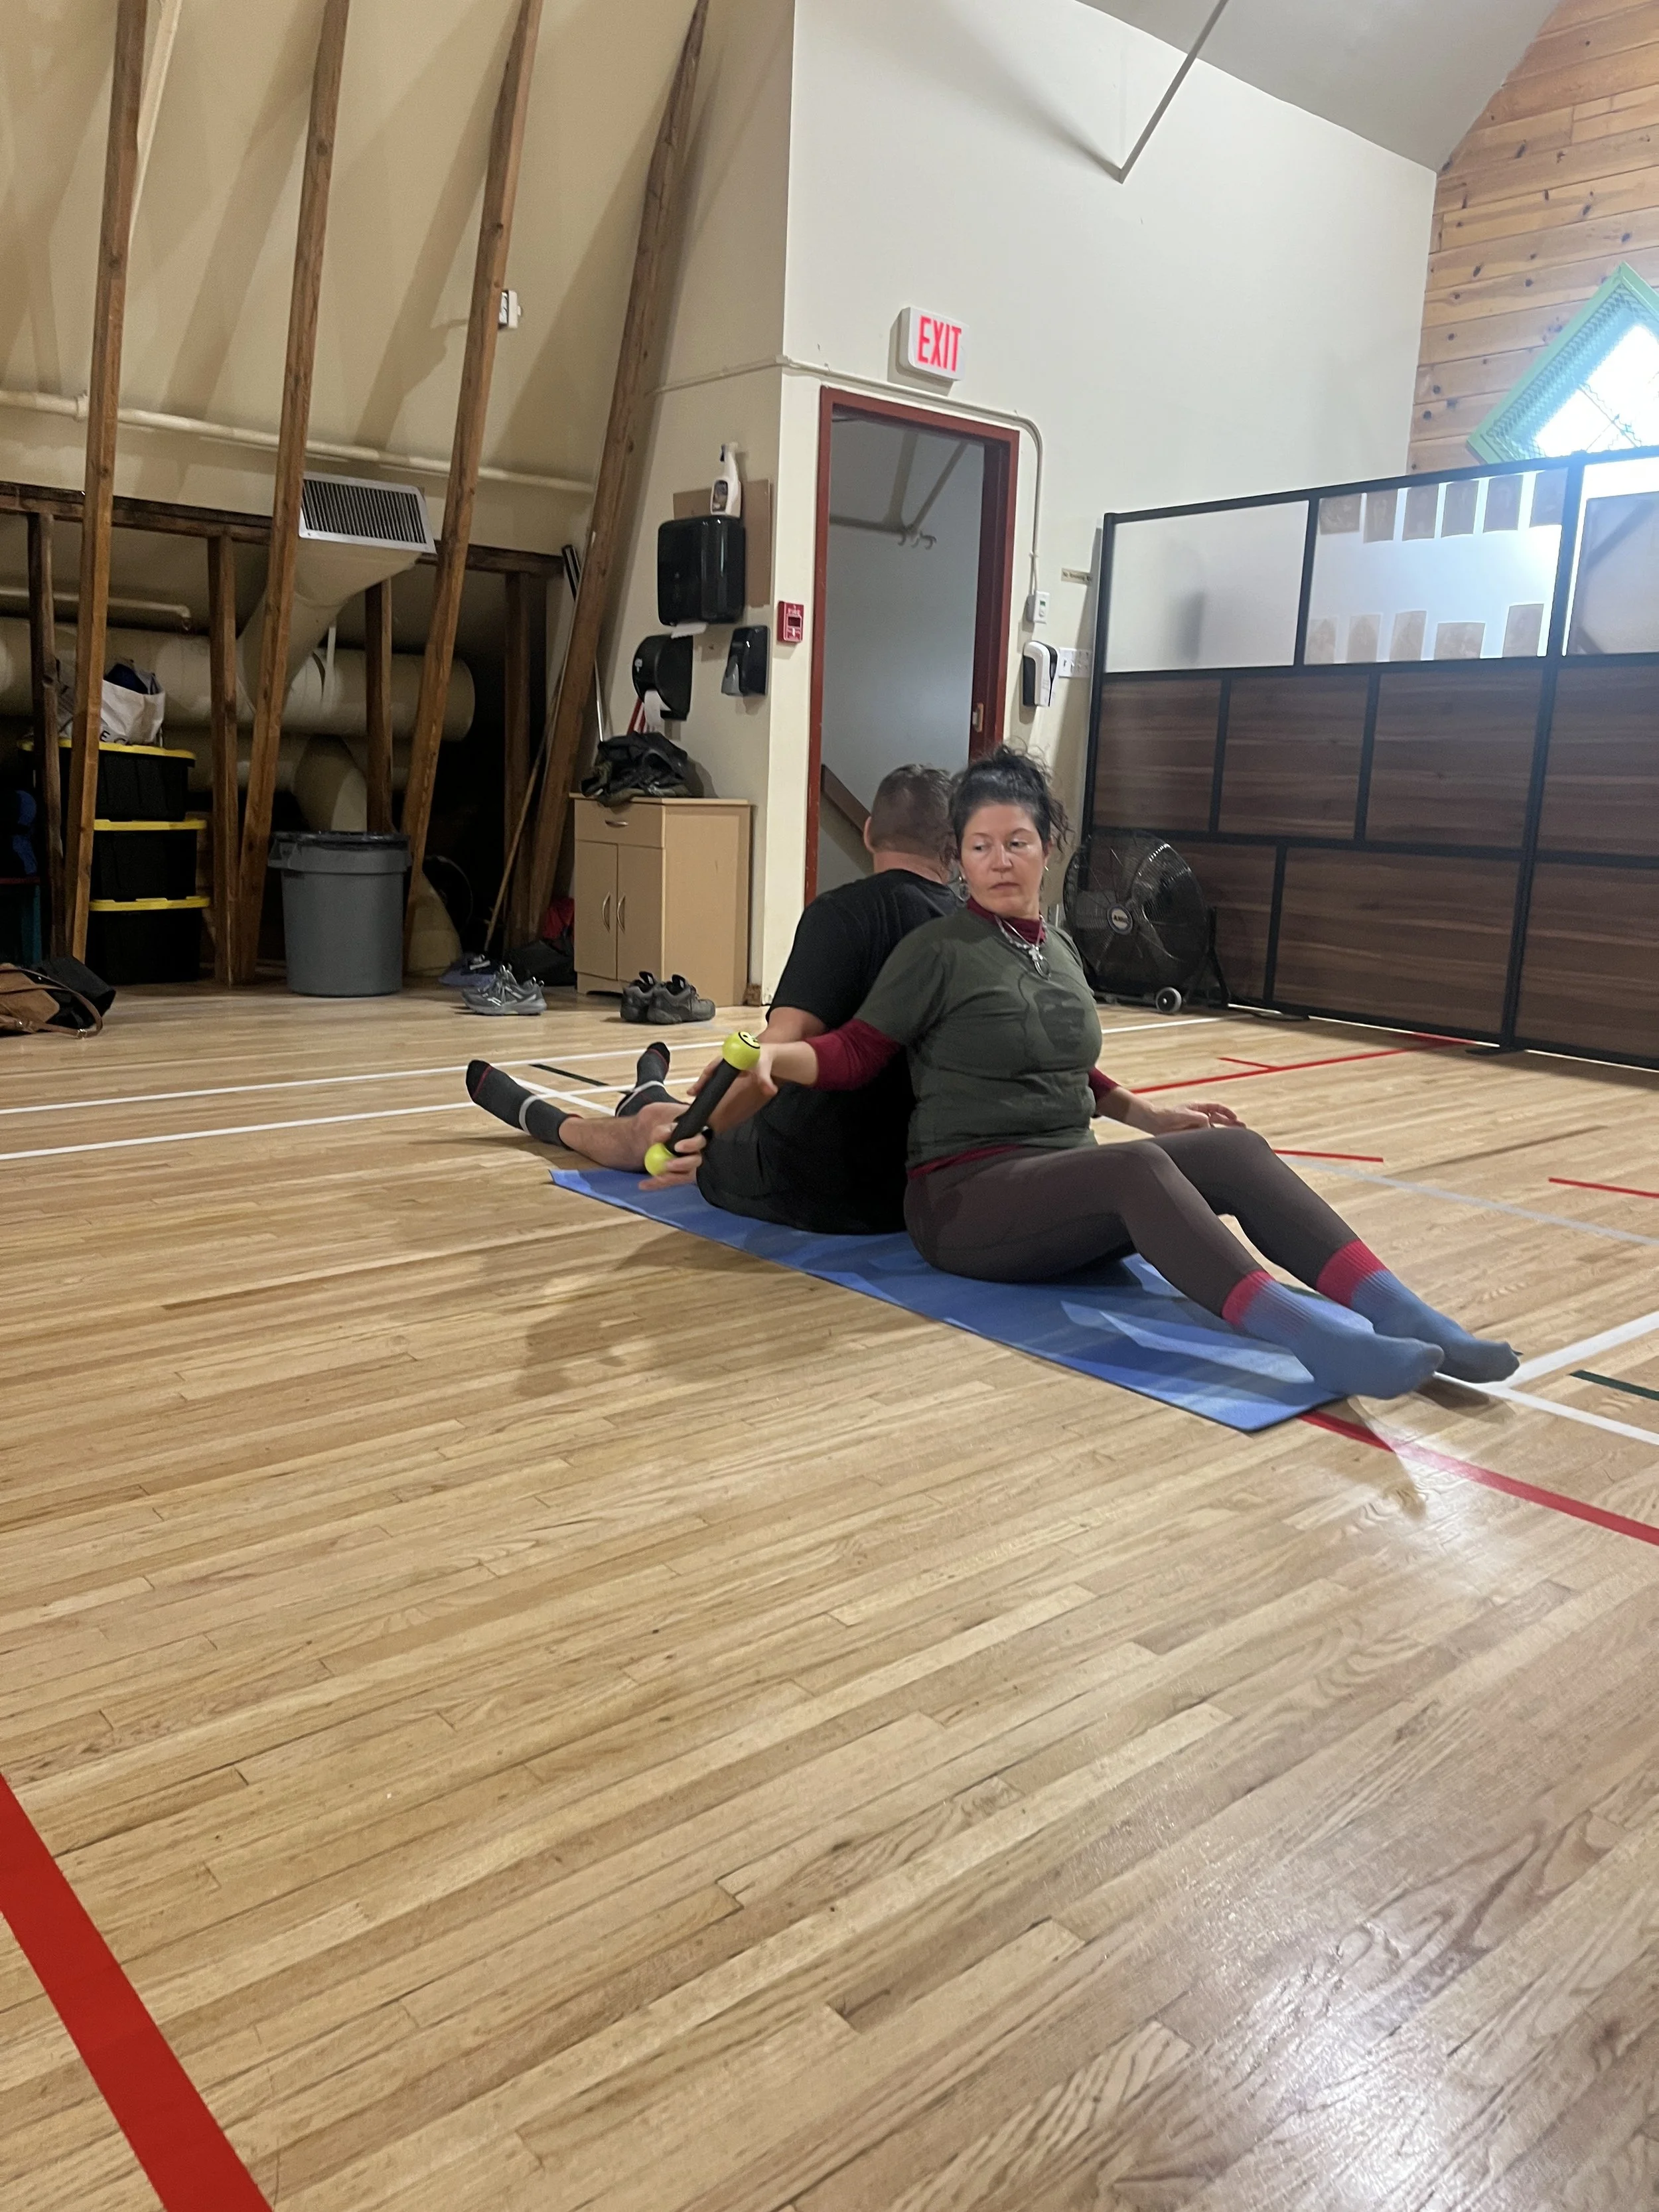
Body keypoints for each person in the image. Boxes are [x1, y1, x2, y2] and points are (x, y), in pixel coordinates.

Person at [745, 747, 1520, 1403]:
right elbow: (855, 1051)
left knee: (1232, 1151)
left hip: (1064, 1180)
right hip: (965, 1202)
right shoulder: (935, 952)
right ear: (958, 857)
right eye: (979, 846)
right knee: (1136, 1171)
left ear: (1049, 845)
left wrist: (1148, 1115)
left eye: (1016, 842)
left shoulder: (1058, 951)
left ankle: (1406, 1314)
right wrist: (779, 1056)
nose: (998, 861)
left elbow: (1070, 1064)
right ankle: (1311, 1337)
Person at [466, 763, 960, 1232]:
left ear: (869, 831)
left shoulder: (841, 915)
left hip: (811, 1187)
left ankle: (558, 1124)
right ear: (955, 848)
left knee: (661, 1125)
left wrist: (698, 1132)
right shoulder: (976, 935)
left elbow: (770, 1053)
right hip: (916, 1195)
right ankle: (646, 1089)